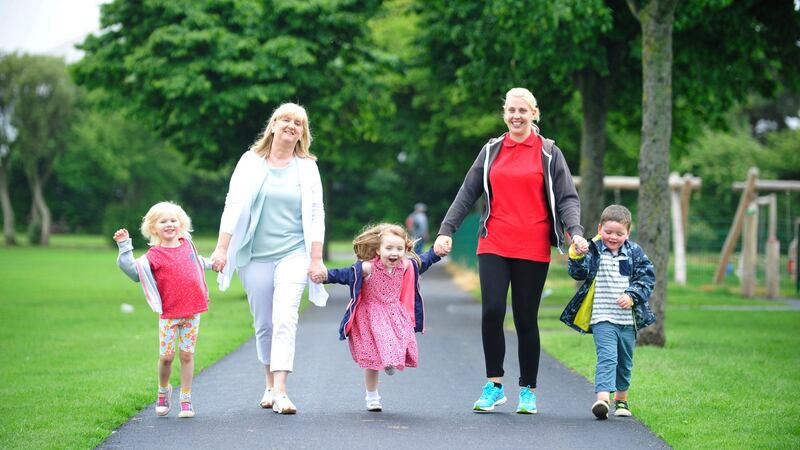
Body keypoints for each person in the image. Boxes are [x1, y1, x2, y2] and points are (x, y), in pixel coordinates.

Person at [434, 87, 588, 414]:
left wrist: (575, 231)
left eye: (522, 110)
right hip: (494, 241)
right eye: (510, 110)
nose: (516, 116)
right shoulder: (491, 150)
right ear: (504, 113)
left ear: (534, 113)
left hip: (532, 245)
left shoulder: (548, 152)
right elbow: (467, 192)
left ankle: (528, 390)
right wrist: (446, 230)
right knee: (491, 311)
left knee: (524, 318)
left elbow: (567, 198)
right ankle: (494, 385)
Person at [209, 102, 328, 415]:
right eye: (285, 120)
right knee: (263, 323)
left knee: (285, 317)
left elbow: (317, 213)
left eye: (298, 123)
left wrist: (315, 259)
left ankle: (281, 390)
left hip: (294, 253)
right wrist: (222, 248)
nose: (291, 125)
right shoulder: (250, 162)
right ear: (273, 125)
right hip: (254, 254)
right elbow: (233, 205)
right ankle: (268, 383)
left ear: (303, 132)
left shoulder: (307, 167)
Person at [318, 223, 442, 411]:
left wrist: (438, 251)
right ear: (378, 249)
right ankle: (372, 397)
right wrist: (325, 275)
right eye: (389, 248)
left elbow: (426, 260)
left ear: (405, 249)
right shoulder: (368, 267)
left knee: (394, 341)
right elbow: (345, 275)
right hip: (370, 315)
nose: (395, 253)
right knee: (372, 361)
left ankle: (389, 359)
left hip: (394, 313)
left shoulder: (407, 265)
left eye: (399, 249)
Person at [113, 201, 215, 419]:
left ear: (181, 223)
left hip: (192, 310)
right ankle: (163, 390)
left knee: (187, 355)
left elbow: (196, 263)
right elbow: (133, 272)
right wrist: (124, 246)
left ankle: (185, 399)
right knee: (167, 357)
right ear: (153, 228)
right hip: (169, 313)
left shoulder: (187, 244)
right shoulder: (154, 255)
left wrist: (212, 264)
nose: (169, 224)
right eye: (163, 221)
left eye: (173, 220)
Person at [560, 204, 656, 419]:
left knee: (624, 361)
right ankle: (602, 399)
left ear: (628, 233)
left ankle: (621, 400)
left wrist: (632, 295)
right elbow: (579, 273)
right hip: (602, 317)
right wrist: (576, 255)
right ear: (600, 227)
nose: (613, 237)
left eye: (619, 234)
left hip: (628, 321)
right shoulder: (592, 249)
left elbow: (647, 278)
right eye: (608, 232)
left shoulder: (634, 252)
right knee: (607, 357)